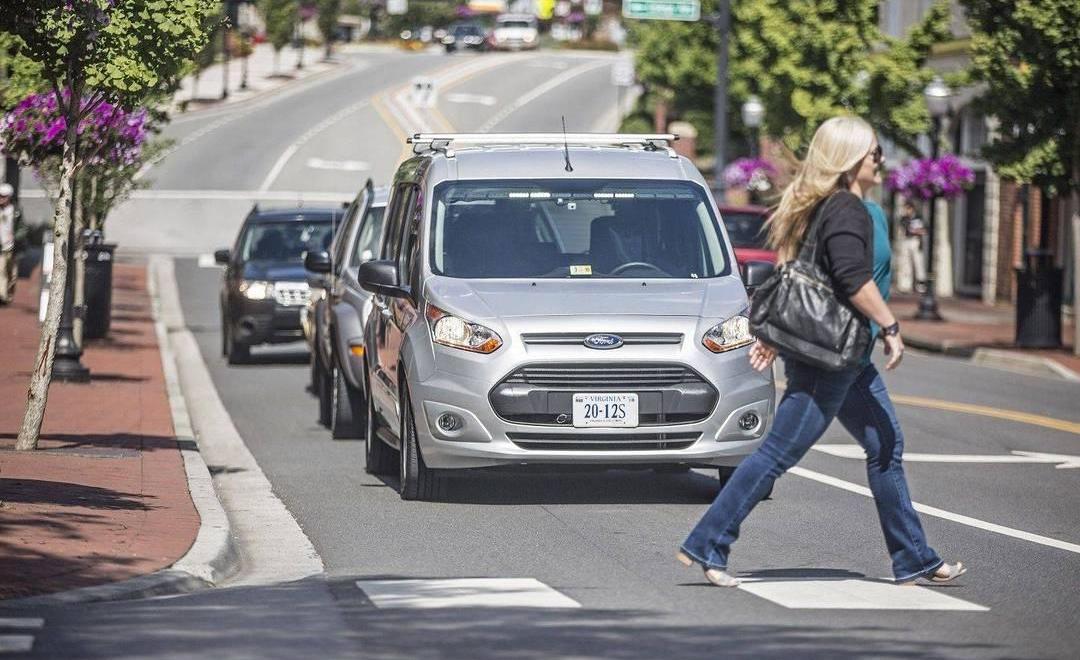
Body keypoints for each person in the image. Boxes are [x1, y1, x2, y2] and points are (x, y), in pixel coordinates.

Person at [677, 116, 965, 588]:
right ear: (853, 161)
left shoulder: (827, 207)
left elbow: (802, 275)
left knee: (885, 446)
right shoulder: (847, 208)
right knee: (776, 454)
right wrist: (891, 326)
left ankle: (914, 558)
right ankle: (708, 543)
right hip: (830, 358)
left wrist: (776, 336)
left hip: (843, 357)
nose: (881, 161)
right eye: (875, 153)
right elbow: (852, 278)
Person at [897, 200, 927, 292]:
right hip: (907, 241)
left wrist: (917, 231)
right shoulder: (904, 218)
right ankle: (906, 285)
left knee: (918, 262)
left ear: (912, 208)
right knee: (906, 263)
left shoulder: (919, 217)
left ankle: (920, 284)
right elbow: (907, 229)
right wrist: (916, 230)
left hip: (916, 241)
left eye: (908, 208)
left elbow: (924, 230)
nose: (906, 210)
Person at [0, 183, 17, 305]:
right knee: (1, 271)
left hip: (12, 248)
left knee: (12, 274)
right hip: (1, 248)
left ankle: (9, 293)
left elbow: (22, 228)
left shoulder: (16, 211)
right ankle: (3, 296)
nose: (1, 198)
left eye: (4, 196)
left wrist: (16, 236)